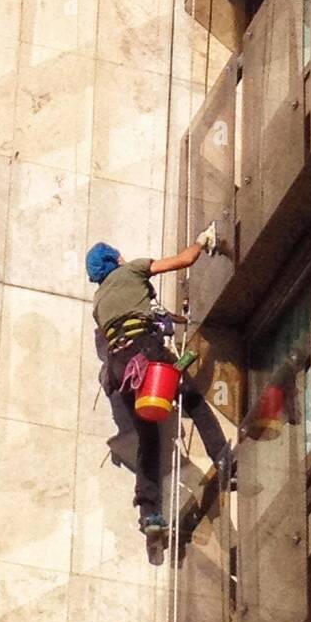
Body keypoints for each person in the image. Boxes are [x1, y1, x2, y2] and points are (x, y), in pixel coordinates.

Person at [87, 228, 230, 540]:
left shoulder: (98, 302)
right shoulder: (133, 269)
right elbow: (185, 260)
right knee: (191, 398)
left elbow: (129, 318)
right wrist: (202, 241)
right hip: (146, 354)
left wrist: (164, 318)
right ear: (115, 259)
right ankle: (222, 458)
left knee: (148, 440)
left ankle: (150, 514)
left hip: (120, 370)